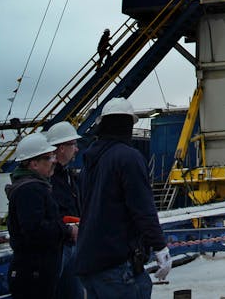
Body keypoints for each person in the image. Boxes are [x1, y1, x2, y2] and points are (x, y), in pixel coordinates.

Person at [72, 98, 170, 299]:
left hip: (89, 262)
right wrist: (160, 247)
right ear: (128, 124)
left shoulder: (89, 162)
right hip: (116, 264)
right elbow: (143, 208)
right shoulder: (128, 157)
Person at [7, 133, 78, 299]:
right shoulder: (30, 190)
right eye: (49, 157)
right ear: (34, 164)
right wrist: (67, 231)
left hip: (37, 269)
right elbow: (35, 230)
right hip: (34, 272)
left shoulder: (35, 187)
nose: (54, 161)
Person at [45, 121, 84, 299]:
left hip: (70, 243)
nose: (76, 149)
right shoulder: (50, 179)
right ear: (61, 148)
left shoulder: (65, 175)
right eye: (73, 145)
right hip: (59, 246)